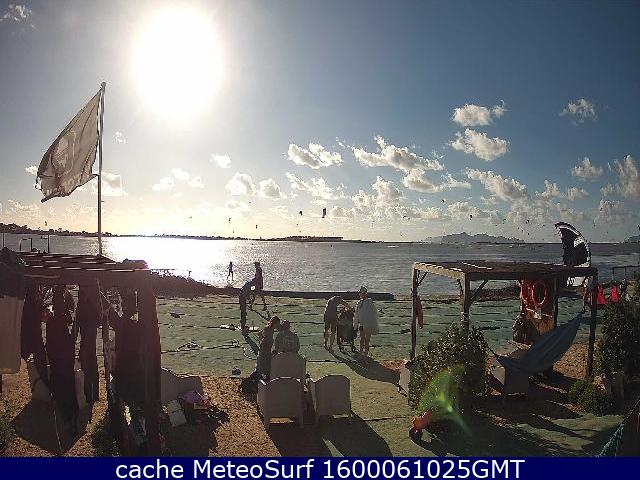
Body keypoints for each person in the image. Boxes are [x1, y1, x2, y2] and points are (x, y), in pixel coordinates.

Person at [354, 286, 379, 358]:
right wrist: (355, 324)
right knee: (362, 339)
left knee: (367, 339)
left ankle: (365, 353)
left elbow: (374, 312)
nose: (361, 295)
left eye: (362, 293)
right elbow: (357, 314)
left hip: (368, 323)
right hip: (362, 324)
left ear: (365, 294)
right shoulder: (359, 303)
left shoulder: (369, 302)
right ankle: (361, 352)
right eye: (360, 293)